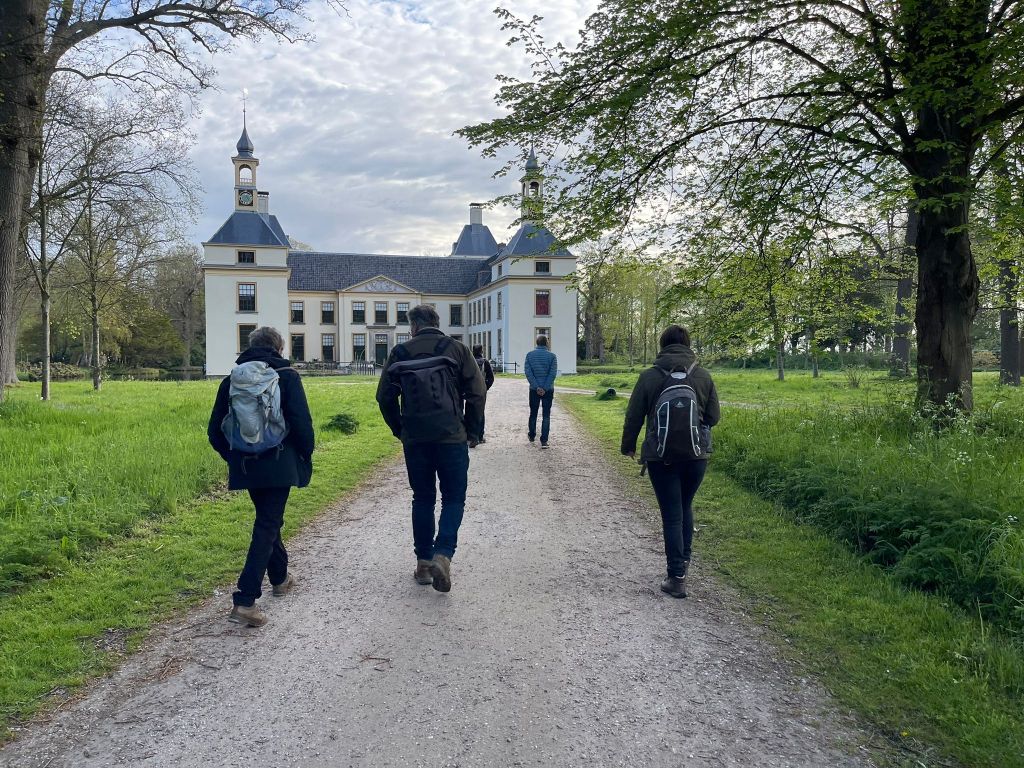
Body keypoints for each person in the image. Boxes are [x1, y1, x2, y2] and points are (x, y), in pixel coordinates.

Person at [208, 326, 314, 627]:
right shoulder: (287, 376)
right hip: (281, 461)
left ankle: (280, 579)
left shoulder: (232, 380)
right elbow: (302, 423)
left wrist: (235, 457)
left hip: (246, 464)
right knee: (267, 524)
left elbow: (214, 431)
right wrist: (304, 455)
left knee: (269, 521)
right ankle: (245, 599)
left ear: (250, 347)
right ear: (279, 349)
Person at [376, 304, 486, 592]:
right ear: (437, 323)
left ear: (413, 326)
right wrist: (472, 430)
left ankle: (424, 563)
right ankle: (443, 554)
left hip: (416, 439)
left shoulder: (399, 352)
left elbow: (384, 398)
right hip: (451, 436)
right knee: (453, 498)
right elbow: (477, 393)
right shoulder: (457, 349)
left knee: (423, 498)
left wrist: (400, 429)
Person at [620, 325, 720, 599]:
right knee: (685, 506)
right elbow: (713, 417)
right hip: (696, 455)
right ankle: (682, 566)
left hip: (661, 455)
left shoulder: (649, 376)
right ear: (688, 345)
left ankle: (676, 577)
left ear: (662, 345)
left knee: (672, 514)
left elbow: (634, 416)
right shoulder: (703, 375)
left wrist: (628, 447)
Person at [524, 335, 558, 448]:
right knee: (546, 415)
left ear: (537, 343)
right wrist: (545, 387)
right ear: (546, 343)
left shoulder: (529, 355)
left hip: (534, 390)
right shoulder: (552, 356)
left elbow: (528, 373)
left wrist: (537, 387)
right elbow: (552, 373)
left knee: (533, 413)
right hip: (548, 390)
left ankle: (532, 435)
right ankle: (544, 441)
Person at [471, 344, 495, 443]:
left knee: (470, 412)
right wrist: (485, 387)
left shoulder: (469, 361)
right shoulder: (485, 362)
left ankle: (471, 435)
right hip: (481, 390)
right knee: (480, 412)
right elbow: (491, 377)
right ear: (482, 351)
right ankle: (480, 436)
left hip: (470, 390)